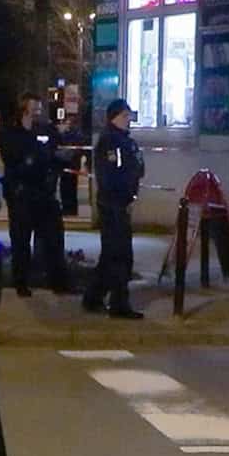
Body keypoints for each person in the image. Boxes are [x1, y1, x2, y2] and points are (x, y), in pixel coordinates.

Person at [0, 93, 72, 295]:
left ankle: (59, 282)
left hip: (45, 192)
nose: (39, 111)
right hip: (21, 193)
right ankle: (21, 283)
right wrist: (41, 156)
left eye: (40, 107)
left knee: (54, 239)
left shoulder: (45, 129)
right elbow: (16, 159)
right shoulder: (10, 132)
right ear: (24, 108)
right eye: (35, 107)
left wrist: (59, 155)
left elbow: (57, 150)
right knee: (21, 241)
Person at [83, 99, 145, 319]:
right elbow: (110, 175)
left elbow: (137, 168)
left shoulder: (124, 141)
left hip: (121, 203)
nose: (129, 120)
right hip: (113, 204)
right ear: (114, 117)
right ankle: (119, 303)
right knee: (120, 255)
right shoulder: (111, 142)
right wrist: (121, 198)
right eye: (125, 116)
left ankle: (93, 297)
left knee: (111, 255)